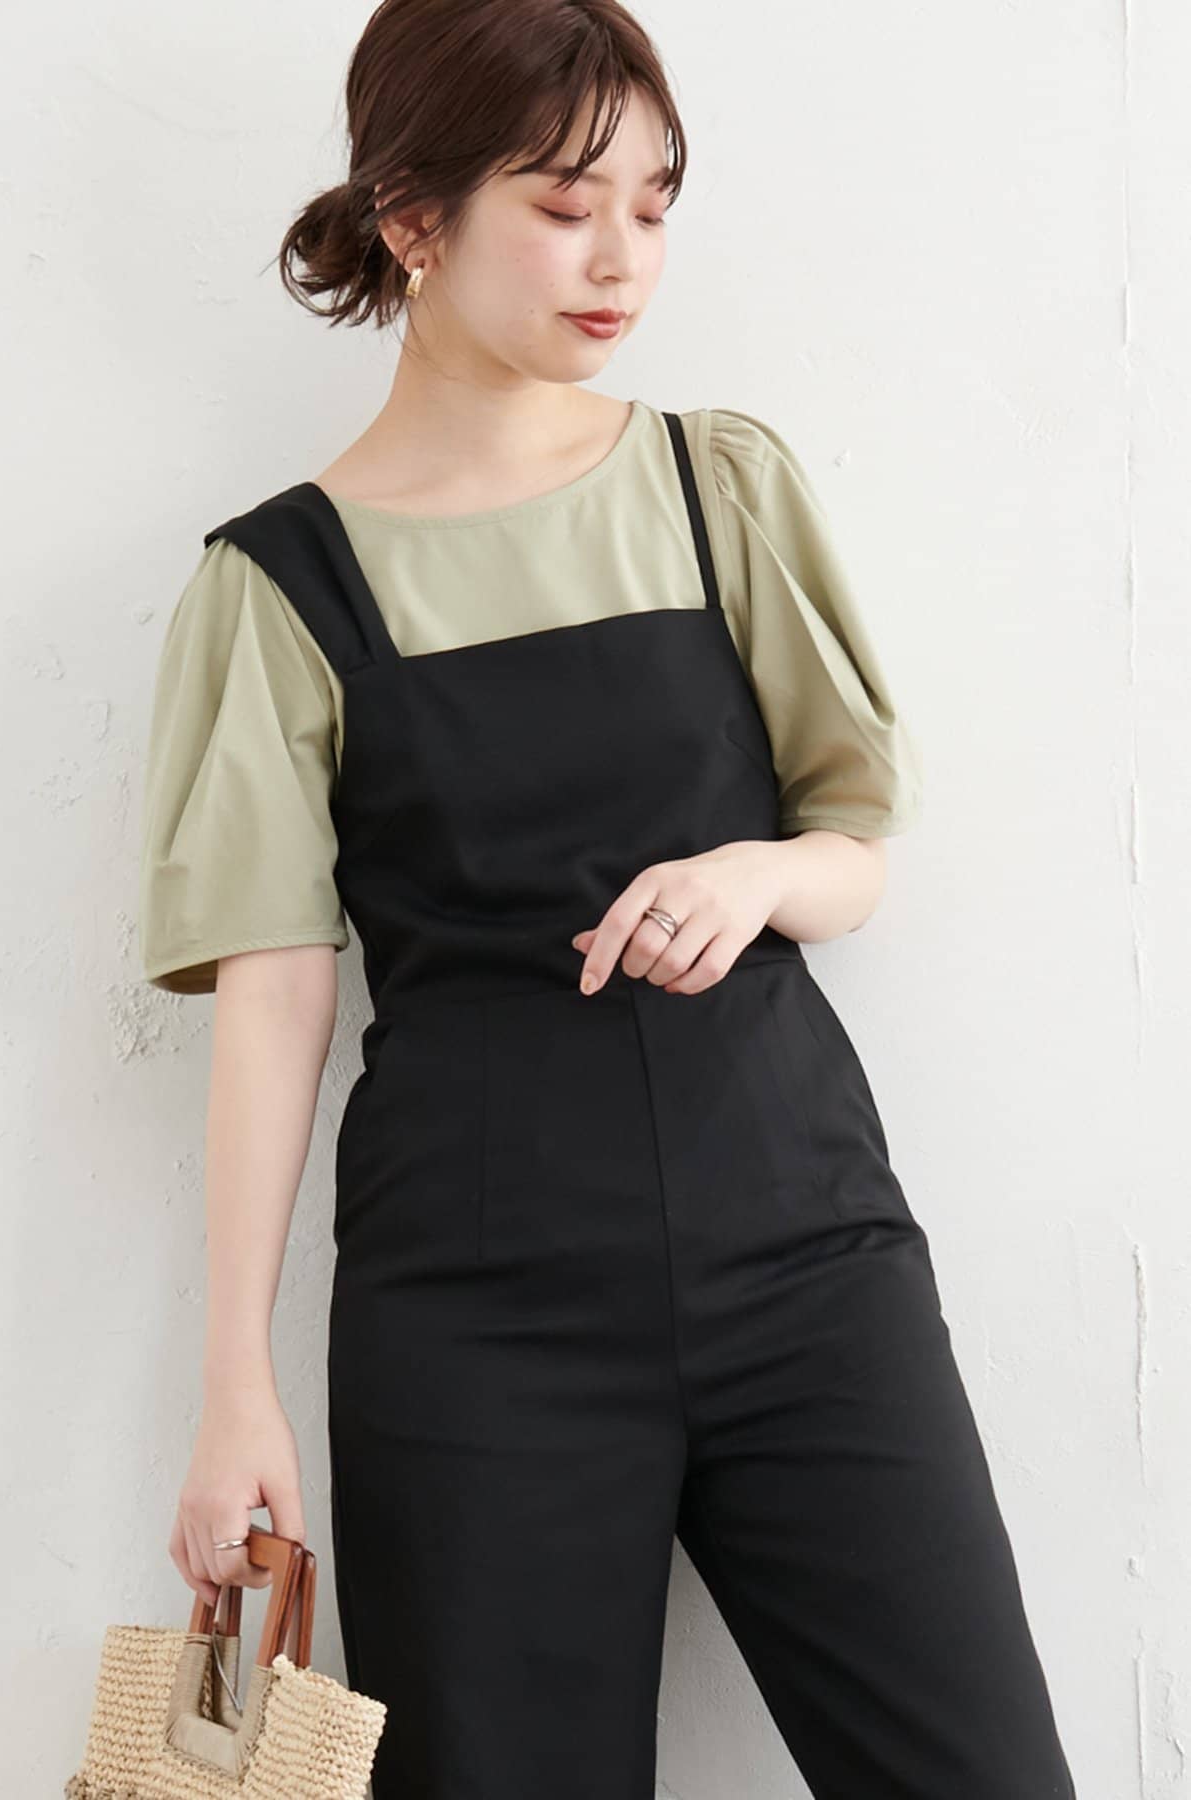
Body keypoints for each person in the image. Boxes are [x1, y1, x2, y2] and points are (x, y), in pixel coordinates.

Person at [137, 2, 1077, 1794]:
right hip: (475, 1316)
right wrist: (234, 1384)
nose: (623, 257)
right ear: (414, 217)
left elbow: (856, 842)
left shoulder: (715, 487)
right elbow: (275, 992)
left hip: (807, 1257)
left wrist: (759, 873)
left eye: (654, 203)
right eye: (567, 205)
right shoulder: (279, 586)